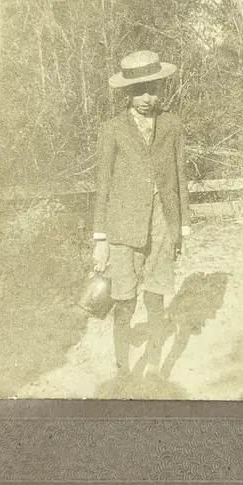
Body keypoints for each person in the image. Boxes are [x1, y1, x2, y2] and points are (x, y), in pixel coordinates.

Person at [91, 50, 191, 380]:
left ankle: (153, 367)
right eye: (139, 91)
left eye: (153, 89)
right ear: (127, 93)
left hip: (163, 221)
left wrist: (183, 225)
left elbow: (179, 175)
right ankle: (122, 372)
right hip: (122, 227)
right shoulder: (112, 129)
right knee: (124, 301)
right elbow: (103, 184)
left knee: (156, 296)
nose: (148, 98)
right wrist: (100, 237)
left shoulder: (172, 124)